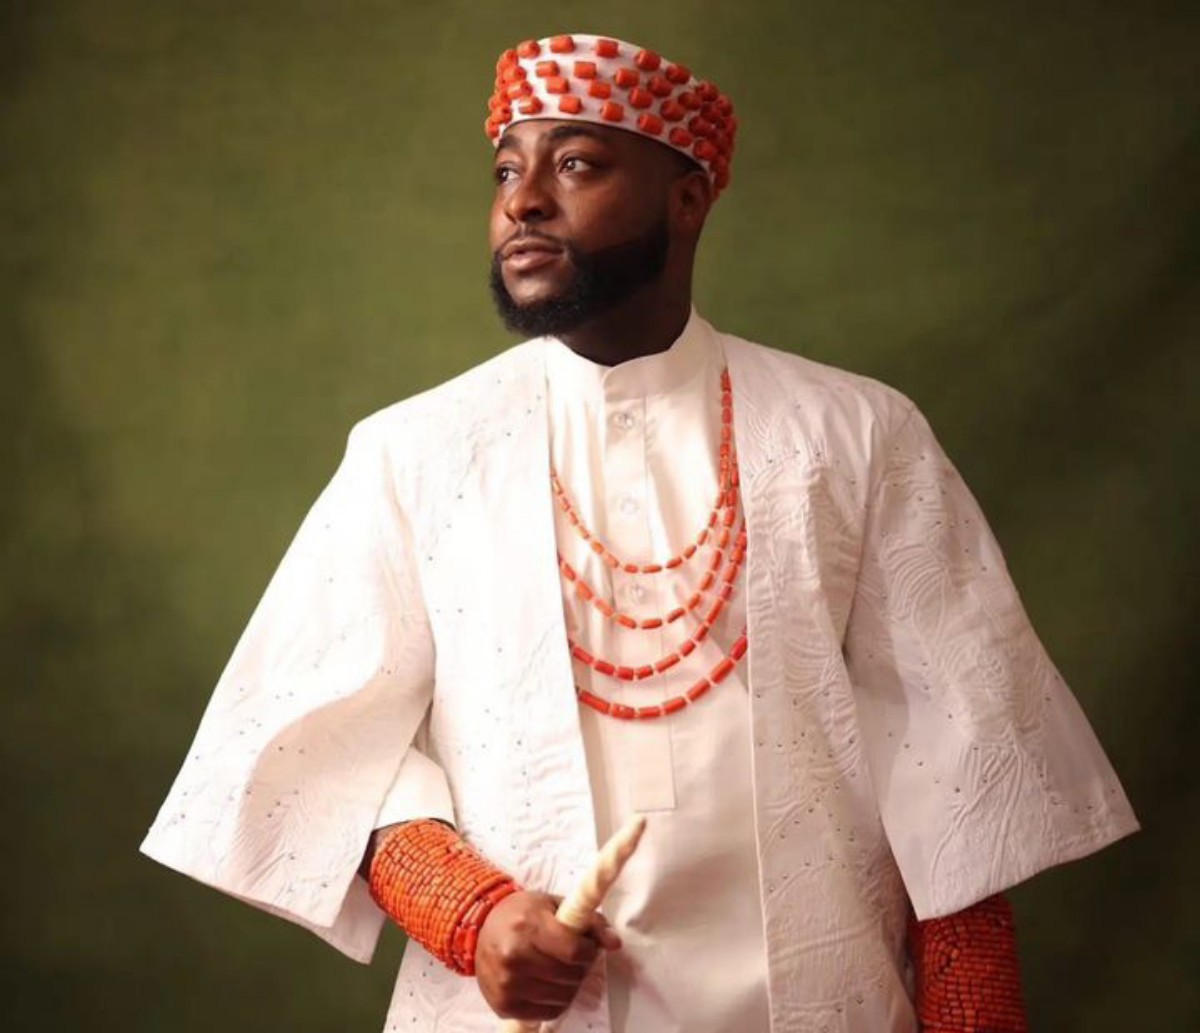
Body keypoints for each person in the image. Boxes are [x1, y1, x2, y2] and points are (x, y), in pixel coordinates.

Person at [141, 32, 1139, 1033]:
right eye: (506, 171)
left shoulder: (855, 434)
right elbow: (317, 753)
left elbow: (957, 786)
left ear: (688, 198)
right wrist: (472, 915)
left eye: (576, 164)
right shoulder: (414, 454)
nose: (524, 202)